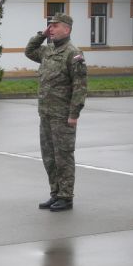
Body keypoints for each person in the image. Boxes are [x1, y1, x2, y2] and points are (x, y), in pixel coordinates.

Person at [25, 13, 87, 212]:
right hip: (46, 114)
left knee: (63, 157)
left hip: (62, 116)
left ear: (67, 29)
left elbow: (79, 87)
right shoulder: (48, 50)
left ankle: (66, 197)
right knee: (49, 158)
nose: (51, 28)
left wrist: (74, 114)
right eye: (49, 25)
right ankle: (55, 193)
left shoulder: (73, 54)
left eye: (55, 25)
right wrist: (42, 35)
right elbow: (29, 51)